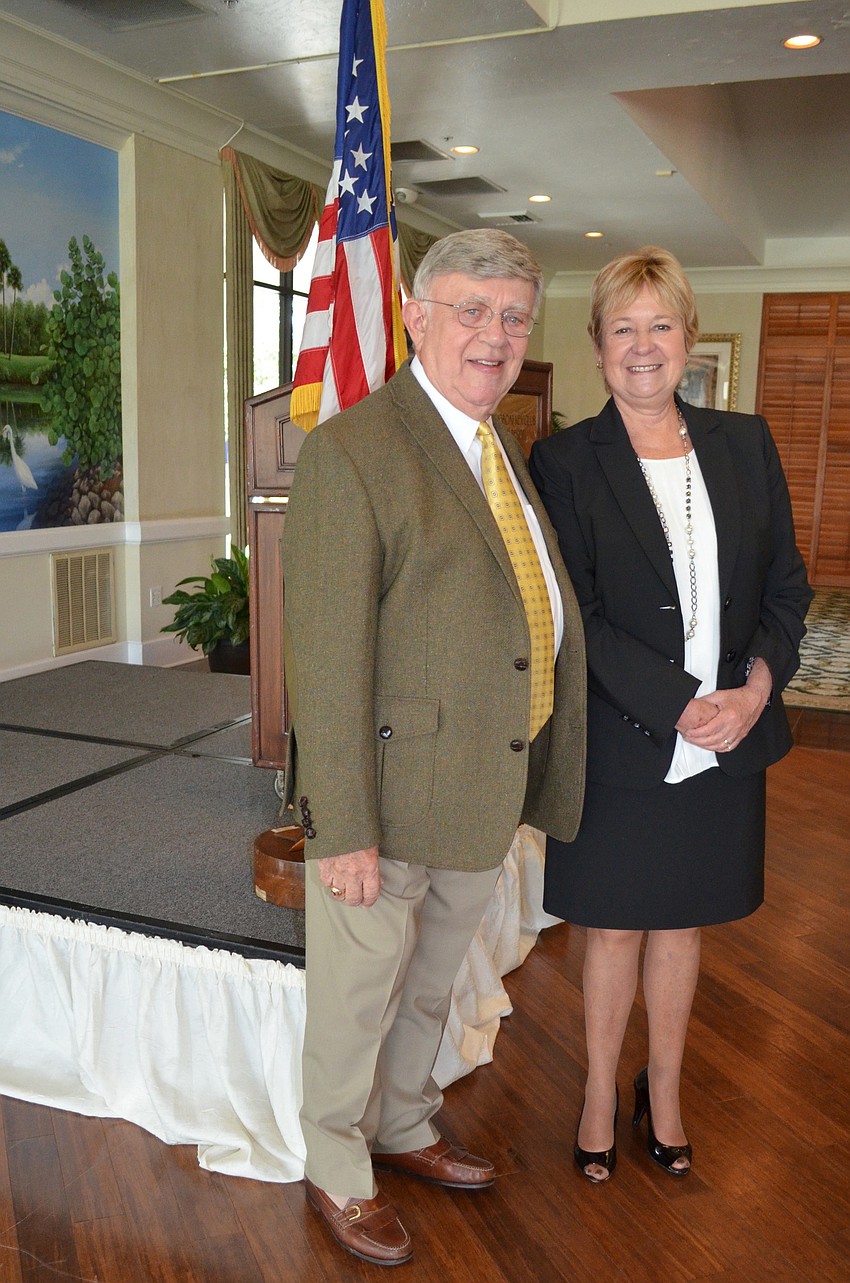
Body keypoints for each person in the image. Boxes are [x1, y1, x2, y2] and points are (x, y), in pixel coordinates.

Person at [280, 228, 586, 1265]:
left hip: (473, 792)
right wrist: (342, 828)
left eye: (510, 316)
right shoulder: (356, 448)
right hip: (386, 796)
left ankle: (402, 1123)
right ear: (415, 314)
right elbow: (323, 660)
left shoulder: (498, 448)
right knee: (355, 998)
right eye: (469, 309)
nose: (491, 335)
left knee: (428, 986)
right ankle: (336, 1162)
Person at [529, 245, 812, 1185]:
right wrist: (684, 704)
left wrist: (755, 691)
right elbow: (581, 614)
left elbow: (786, 589)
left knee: (682, 923)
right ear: (598, 346)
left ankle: (669, 1088)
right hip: (624, 735)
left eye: (660, 324)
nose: (643, 346)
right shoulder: (564, 461)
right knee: (613, 926)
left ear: (687, 336)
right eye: (623, 328)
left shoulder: (747, 443)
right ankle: (601, 1096)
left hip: (729, 734)